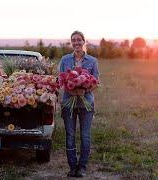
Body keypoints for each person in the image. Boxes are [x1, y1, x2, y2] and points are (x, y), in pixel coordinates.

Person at [58, 30, 99, 177]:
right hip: (69, 103)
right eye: (73, 40)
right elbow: (61, 80)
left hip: (86, 103)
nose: (76, 42)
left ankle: (82, 167)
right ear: (71, 42)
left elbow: (95, 82)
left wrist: (85, 90)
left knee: (85, 135)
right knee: (70, 135)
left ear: (83, 41)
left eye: (79, 40)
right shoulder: (65, 60)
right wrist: (73, 91)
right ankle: (72, 167)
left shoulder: (92, 61)